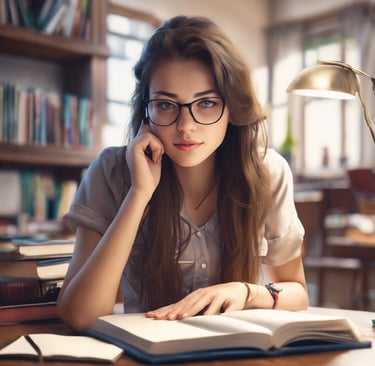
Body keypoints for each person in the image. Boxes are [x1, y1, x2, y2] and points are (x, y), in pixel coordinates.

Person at [57, 15, 308, 331]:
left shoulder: (268, 172)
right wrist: (138, 194)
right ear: (145, 110)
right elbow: (80, 315)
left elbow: (297, 294)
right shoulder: (111, 172)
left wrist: (246, 292)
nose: (185, 126)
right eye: (165, 105)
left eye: (205, 103)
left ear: (231, 107)